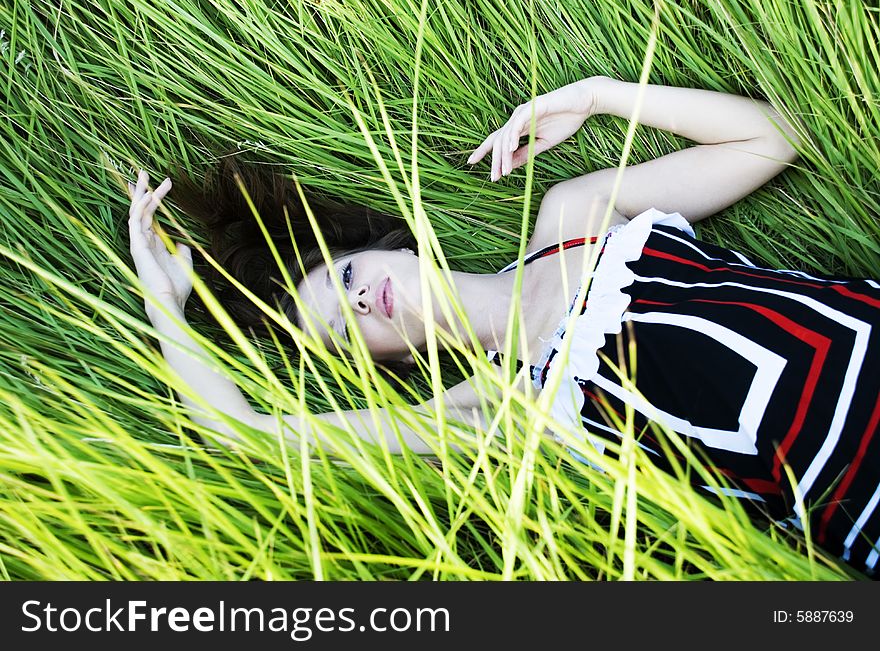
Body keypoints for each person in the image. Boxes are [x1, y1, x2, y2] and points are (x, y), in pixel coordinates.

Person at [127, 75, 880, 574]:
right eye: (344, 328)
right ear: (385, 359)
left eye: (348, 278)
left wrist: (599, 96)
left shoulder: (575, 216)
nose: (359, 302)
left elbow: (773, 136)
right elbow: (247, 433)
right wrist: (167, 301)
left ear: (390, 249)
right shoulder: (495, 409)